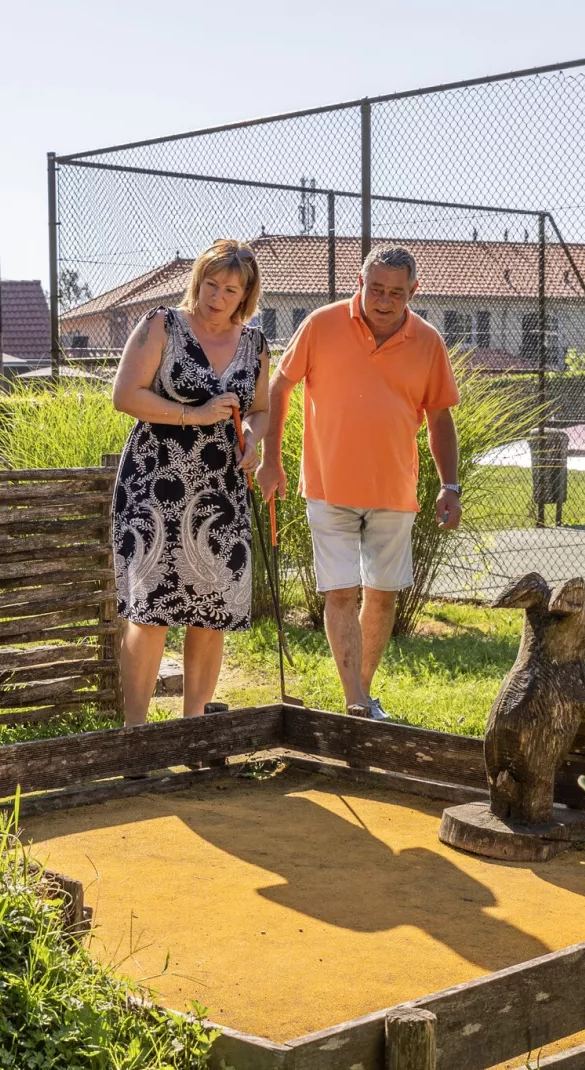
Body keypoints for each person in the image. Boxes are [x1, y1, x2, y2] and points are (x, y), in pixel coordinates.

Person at [257, 245, 460, 719]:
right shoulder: (322, 324)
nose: (384, 301)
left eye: (396, 292)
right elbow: (279, 386)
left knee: (383, 595)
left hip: (395, 489)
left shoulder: (428, 341)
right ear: (360, 281)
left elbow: (440, 417)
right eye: (376, 289)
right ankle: (355, 698)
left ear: (414, 291)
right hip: (328, 485)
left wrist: (450, 486)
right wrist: (271, 461)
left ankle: (361, 697)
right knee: (341, 591)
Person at [110, 239, 270, 727]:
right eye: (210, 283)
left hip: (222, 492)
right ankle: (135, 733)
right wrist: (193, 415)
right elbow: (124, 395)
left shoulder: (256, 344)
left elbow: (260, 410)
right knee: (150, 612)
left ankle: (193, 731)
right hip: (155, 486)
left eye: (230, 289)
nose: (216, 296)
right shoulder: (162, 324)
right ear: (198, 279)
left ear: (245, 296)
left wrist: (251, 438)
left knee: (211, 614)